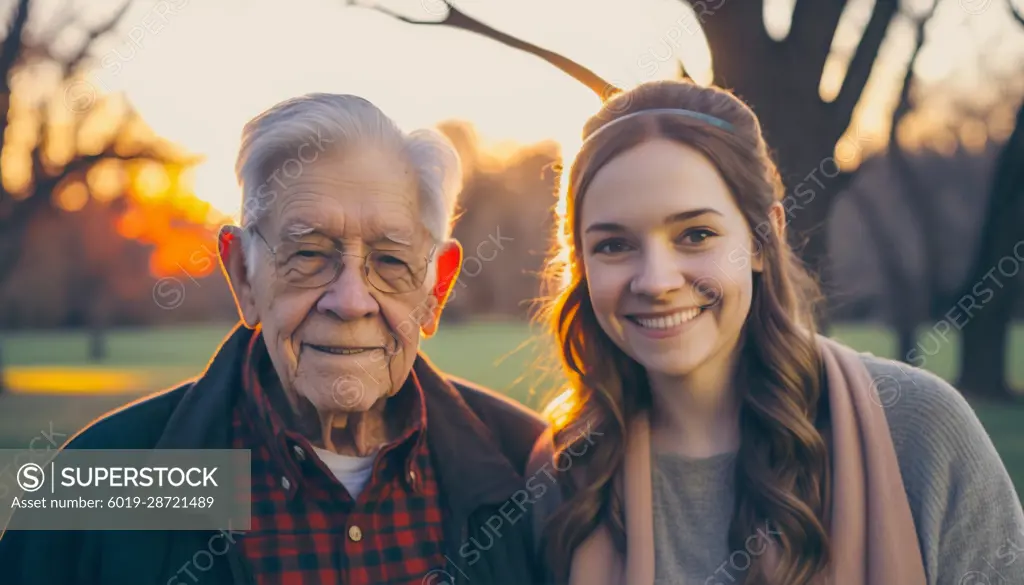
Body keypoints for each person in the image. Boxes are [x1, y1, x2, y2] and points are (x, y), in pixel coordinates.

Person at [0, 93, 547, 585]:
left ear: (436, 288)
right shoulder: (104, 480)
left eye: (390, 260)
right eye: (308, 254)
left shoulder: (532, 471)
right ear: (243, 275)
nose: (351, 300)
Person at [526, 79, 1024, 585]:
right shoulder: (567, 472)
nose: (656, 281)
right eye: (614, 245)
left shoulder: (921, 431)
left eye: (696, 235)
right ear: (582, 265)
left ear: (765, 239)